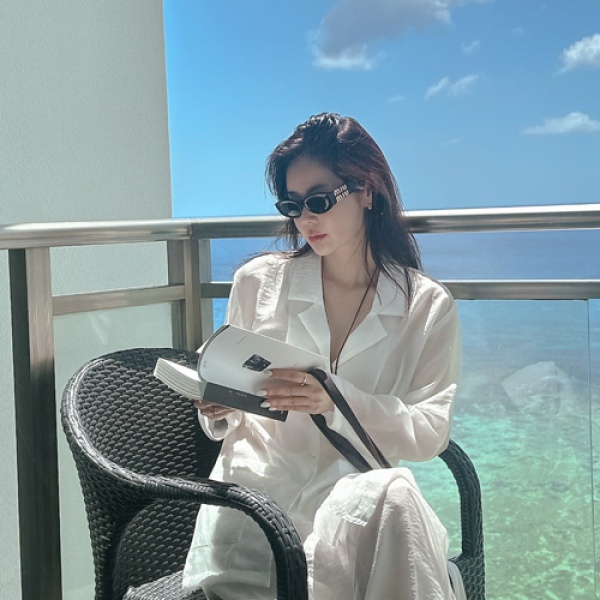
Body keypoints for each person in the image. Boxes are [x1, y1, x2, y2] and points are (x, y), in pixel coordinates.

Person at [182, 113, 461, 599]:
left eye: (319, 201)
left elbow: (430, 430)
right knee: (397, 503)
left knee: (391, 496)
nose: (306, 220)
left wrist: (334, 399)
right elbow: (225, 399)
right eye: (292, 205)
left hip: (356, 507)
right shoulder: (259, 282)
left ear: (367, 190)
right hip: (256, 505)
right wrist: (217, 405)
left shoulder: (425, 306)